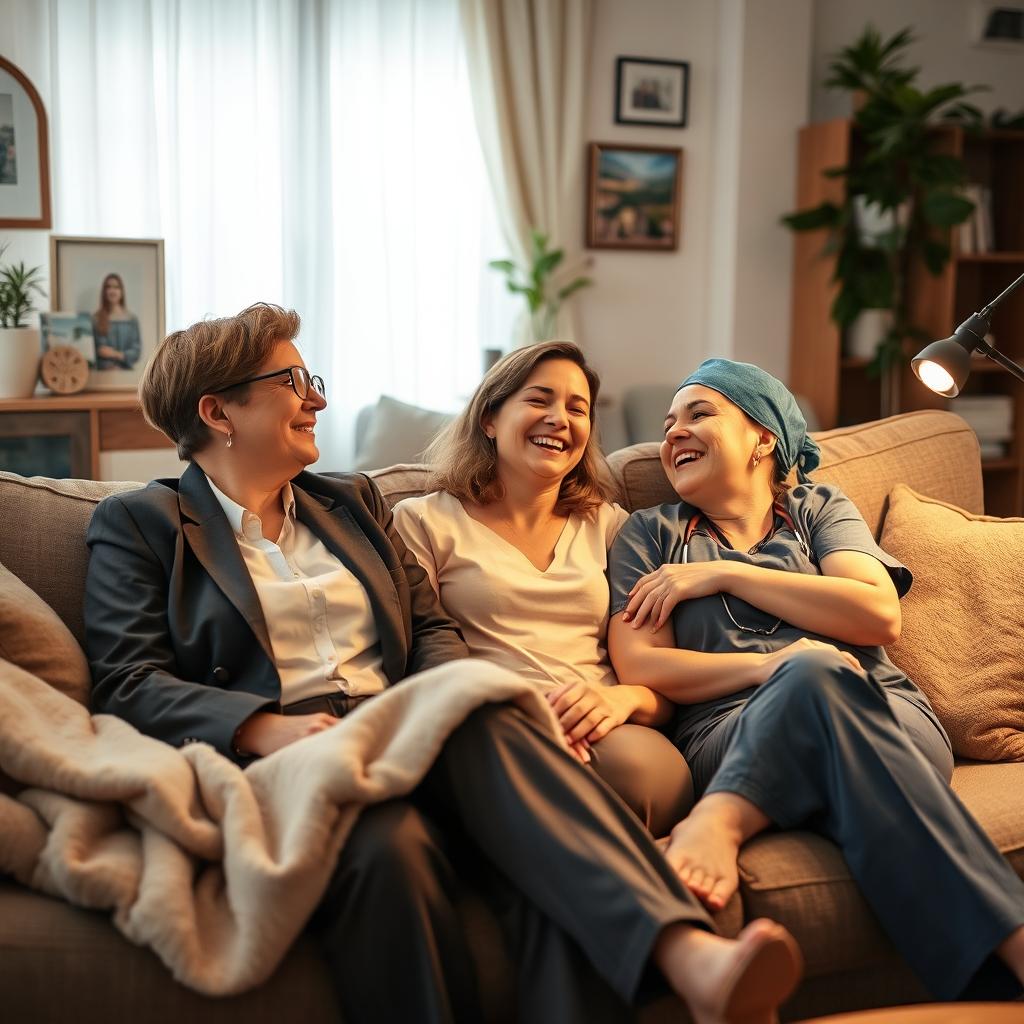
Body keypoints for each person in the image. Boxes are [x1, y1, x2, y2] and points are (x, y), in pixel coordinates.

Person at [84, 306, 802, 1024]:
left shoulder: (350, 504)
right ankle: (689, 955)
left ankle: (689, 957)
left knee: (482, 724)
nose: (318, 399)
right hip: (282, 759)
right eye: (295, 381)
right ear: (218, 411)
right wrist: (265, 729)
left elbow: (428, 630)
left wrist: (465, 702)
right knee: (391, 847)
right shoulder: (141, 525)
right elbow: (127, 681)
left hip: (403, 737)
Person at [607, 357, 1024, 1001]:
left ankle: (721, 820)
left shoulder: (819, 509)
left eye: (699, 413)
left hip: (886, 712)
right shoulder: (650, 534)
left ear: (764, 438)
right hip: (733, 733)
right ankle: (1009, 951)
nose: (674, 433)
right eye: (668, 423)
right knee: (813, 666)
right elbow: (643, 664)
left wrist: (727, 574)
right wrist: (776, 667)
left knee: (820, 672)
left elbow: (878, 615)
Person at [393, 341, 693, 837]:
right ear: (489, 418)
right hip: (491, 724)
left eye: (578, 409)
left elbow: (660, 683)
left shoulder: (613, 526)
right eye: (539, 400)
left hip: (606, 724)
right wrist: (512, 717)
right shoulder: (423, 521)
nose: (560, 418)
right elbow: (415, 658)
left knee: (651, 777)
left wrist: (622, 702)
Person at [92, 272, 142, 370]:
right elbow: (94, 351)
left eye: (116, 287)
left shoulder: (131, 319)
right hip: (103, 375)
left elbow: (136, 353)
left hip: (126, 375)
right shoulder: (96, 319)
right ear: (104, 291)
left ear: (121, 291)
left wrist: (114, 354)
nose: (112, 291)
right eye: (108, 287)